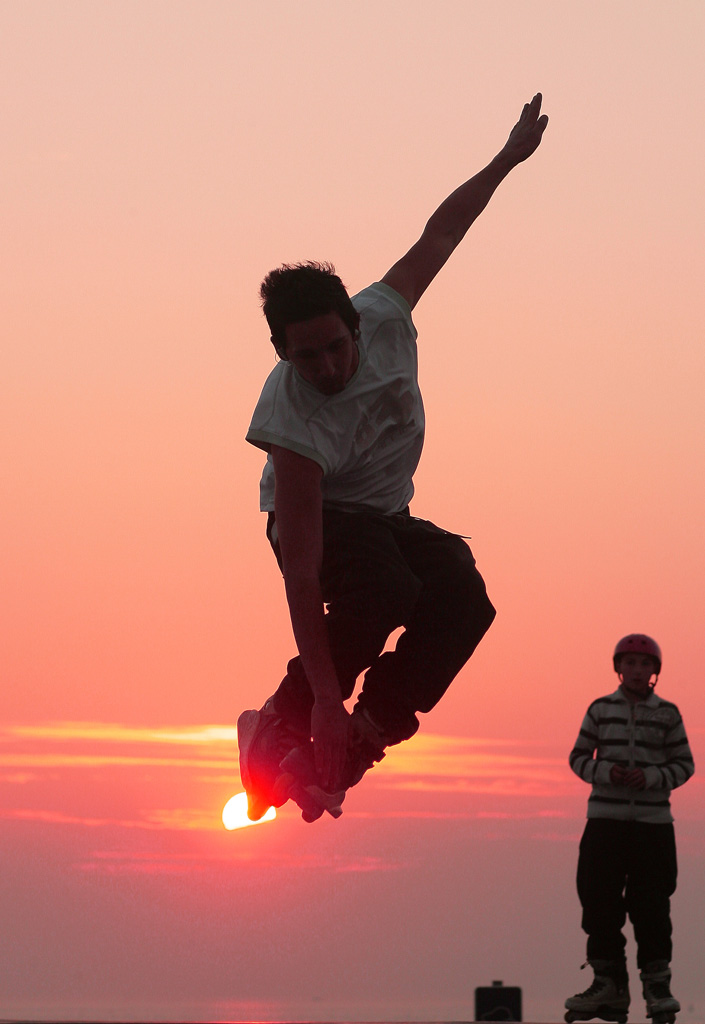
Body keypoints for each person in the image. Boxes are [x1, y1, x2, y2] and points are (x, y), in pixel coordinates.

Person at [238, 93, 549, 824]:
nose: (324, 367)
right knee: (380, 592)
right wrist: (319, 697)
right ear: (282, 352)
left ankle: (362, 737)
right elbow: (305, 570)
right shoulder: (291, 421)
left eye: (334, 347)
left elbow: (444, 231)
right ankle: (276, 722)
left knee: (464, 599)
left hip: (384, 515)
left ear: (356, 323)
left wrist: (506, 158)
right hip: (317, 522)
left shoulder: (385, 311)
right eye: (303, 356)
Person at [565, 634, 694, 1024]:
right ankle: (608, 985)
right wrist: (606, 771)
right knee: (599, 900)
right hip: (605, 823)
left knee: (652, 904)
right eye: (630, 663)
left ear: (655, 671)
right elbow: (577, 757)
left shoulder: (668, 714)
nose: (637, 671)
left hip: (653, 827)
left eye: (645, 664)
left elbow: (685, 765)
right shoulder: (600, 710)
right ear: (618, 667)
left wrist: (653, 777)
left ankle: (657, 986)